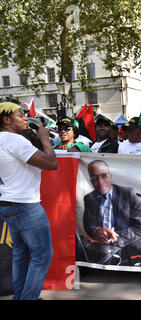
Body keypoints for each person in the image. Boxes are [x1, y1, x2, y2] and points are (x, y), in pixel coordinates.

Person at [0, 101, 57, 300]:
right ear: (6, 120)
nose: (25, 118)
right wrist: (44, 139)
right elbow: (51, 163)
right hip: (25, 206)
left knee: (21, 254)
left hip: (8, 205)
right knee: (42, 256)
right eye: (20, 115)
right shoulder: (14, 141)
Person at [83, 160, 141, 263]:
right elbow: (88, 224)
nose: (100, 182)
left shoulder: (127, 194)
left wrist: (114, 240)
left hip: (129, 252)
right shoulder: (89, 198)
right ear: (90, 180)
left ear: (110, 176)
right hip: (102, 252)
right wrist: (97, 231)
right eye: (94, 178)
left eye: (104, 176)